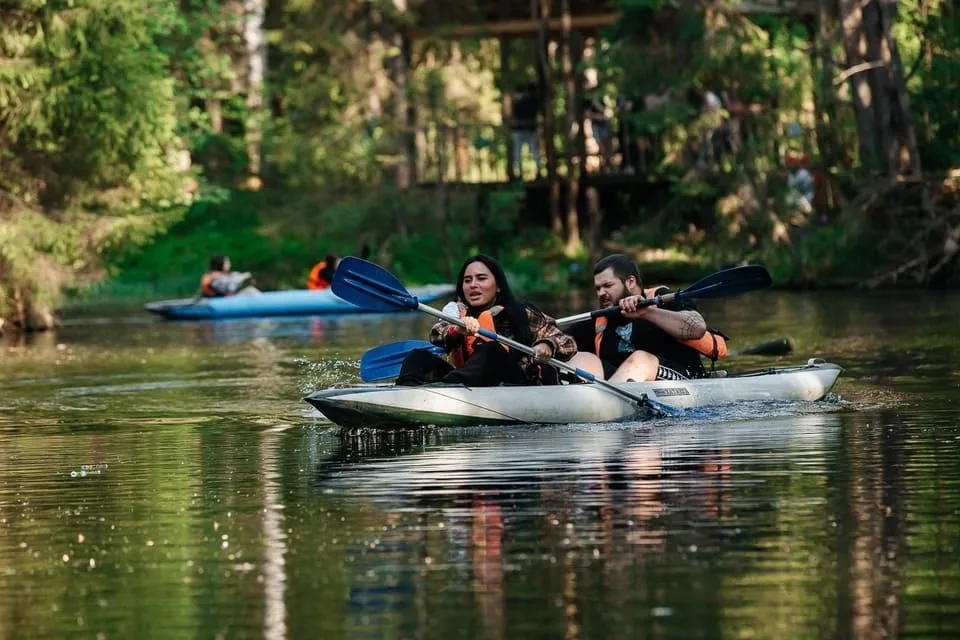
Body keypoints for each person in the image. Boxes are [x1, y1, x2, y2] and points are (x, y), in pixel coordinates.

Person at [397, 254, 577, 387]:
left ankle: (449, 389)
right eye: (467, 280)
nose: (473, 285)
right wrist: (458, 330)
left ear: (498, 286)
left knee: (491, 350)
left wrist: (547, 345)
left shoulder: (521, 312)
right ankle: (406, 393)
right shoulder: (457, 312)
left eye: (481, 278)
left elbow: (567, 342)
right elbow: (437, 335)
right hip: (464, 382)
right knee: (417, 356)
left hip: (514, 383)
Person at [566, 254, 725, 382]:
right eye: (598, 288)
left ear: (630, 282)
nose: (601, 293)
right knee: (583, 359)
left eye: (607, 286)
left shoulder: (663, 298)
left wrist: (646, 312)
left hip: (684, 378)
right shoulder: (600, 320)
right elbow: (563, 341)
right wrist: (551, 336)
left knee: (640, 359)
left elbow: (698, 328)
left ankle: (606, 405)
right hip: (623, 386)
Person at [510, 83, 541, 179]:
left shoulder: (521, 103)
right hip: (526, 130)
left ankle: (523, 172)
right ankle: (534, 170)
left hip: (524, 130)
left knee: (522, 152)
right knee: (532, 151)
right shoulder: (532, 102)